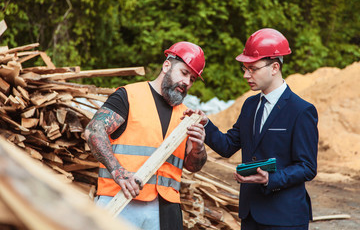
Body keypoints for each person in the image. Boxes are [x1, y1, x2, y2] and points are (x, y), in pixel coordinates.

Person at [185, 28, 318, 229]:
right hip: (250, 216)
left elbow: (307, 167)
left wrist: (270, 179)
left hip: (285, 218)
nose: (247, 75)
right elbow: (228, 146)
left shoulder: (301, 110)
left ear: (274, 67)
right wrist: (206, 124)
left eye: (253, 68)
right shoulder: (250, 105)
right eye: (245, 68)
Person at [84, 41, 208, 230]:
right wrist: (118, 173)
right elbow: (94, 130)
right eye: (184, 73)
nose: (186, 82)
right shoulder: (129, 96)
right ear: (167, 65)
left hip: (165, 210)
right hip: (120, 201)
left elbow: (193, 166)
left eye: (192, 79)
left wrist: (199, 146)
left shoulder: (186, 117)